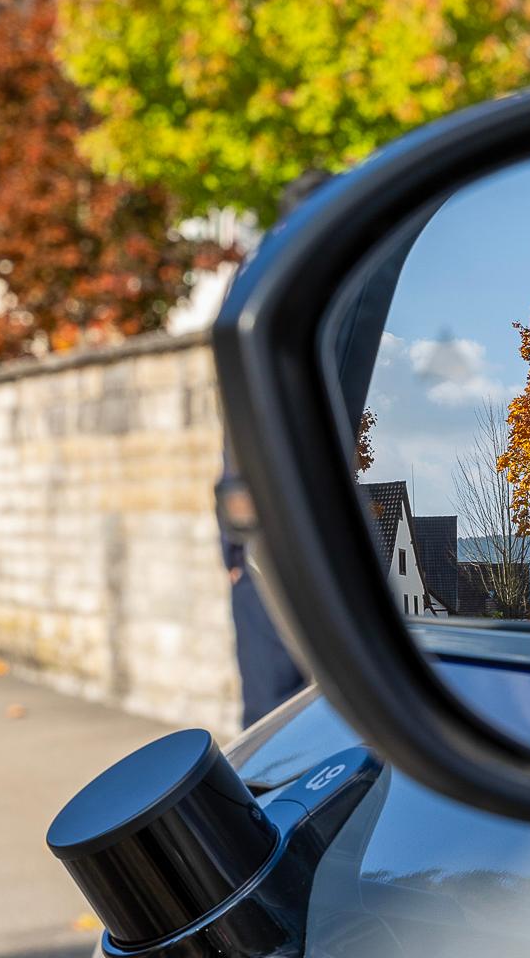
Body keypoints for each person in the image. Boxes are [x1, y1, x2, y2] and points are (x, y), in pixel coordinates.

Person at [217, 169, 332, 727]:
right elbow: (237, 435)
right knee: (270, 716)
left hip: (284, 534)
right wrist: (235, 551)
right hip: (267, 535)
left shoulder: (265, 286)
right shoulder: (265, 293)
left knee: (282, 715)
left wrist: (234, 549)